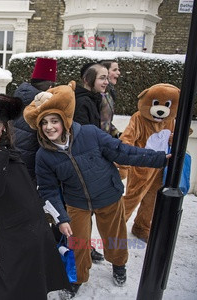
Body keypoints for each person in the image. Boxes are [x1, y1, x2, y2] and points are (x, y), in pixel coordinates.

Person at [23, 82, 170, 298]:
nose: (49, 127)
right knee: (77, 242)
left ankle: (119, 264)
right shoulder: (43, 155)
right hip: (76, 202)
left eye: (54, 121)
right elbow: (48, 190)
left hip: (108, 195)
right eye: (44, 123)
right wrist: (61, 218)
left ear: (64, 120)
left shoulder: (90, 134)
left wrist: (158, 159)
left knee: (114, 236)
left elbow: (123, 152)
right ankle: (77, 277)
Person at [0, 93, 70, 300]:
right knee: (14, 277)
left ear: (4, 127)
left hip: (33, 221)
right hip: (12, 227)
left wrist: (53, 215)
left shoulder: (7, 145)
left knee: (36, 273)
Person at [13, 57, 57, 183]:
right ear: (49, 85)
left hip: (15, 159)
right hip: (31, 161)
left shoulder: (19, 96)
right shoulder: (42, 104)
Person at [73, 63, 108, 127]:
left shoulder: (95, 99)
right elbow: (84, 132)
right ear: (86, 80)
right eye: (102, 78)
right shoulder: (82, 102)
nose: (106, 82)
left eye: (106, 78)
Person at [98, 60, 121, 138]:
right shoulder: (97, 95)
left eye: (118, 69)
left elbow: (106, 123)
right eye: (114, 70)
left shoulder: (109, 94)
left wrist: (117, 133)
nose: (119, 73)